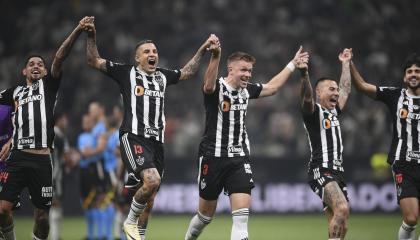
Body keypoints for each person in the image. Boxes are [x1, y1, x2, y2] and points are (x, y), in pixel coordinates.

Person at [82, 16, 220, 239]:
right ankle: (129, 222)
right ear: (137, 58)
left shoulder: (163, 76)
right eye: (146, 51)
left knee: (150, 198)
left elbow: (188, 71)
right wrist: (91, 35)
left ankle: (139, 236)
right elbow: (93, 60)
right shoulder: (126, 73)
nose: (152, 54)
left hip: (157, 143)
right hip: (133, 136)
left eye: (154, 51)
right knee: (152, 180)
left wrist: (203, 49)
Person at [184, 41, 309, 240]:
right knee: (205, 216)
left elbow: (273, 88)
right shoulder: (216, 88)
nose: (248, 75)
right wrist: (215, 55)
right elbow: (208, 84)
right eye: (244, 70)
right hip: (212, 158)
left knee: (241, 219)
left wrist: (293, 63)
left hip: (238, 160)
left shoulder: (246, 90)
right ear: (230, 69)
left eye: (250, 71)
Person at [0, 17, 88, 240]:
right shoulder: (14, 93)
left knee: (42, 218)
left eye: (40, 64)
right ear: (24, 72)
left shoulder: (49, 86)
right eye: (31, 64)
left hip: (41, 160)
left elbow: (60, 56)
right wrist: (10, 140)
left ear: (46, 71)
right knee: (2, 210)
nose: (36, 66)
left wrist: (77, 29)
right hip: (17, 158)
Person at [350, 52, 420, 240]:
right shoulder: (395, 95)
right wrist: (349, 63)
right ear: (405, 77)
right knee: (411, 219)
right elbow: (362, 86)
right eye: (410, 71)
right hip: (403, 164)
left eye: (417, 71)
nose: (413, 74)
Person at [300, 48, 352, 240]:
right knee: (342, 207)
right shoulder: (313, 114)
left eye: (336, 90)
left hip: (337, 172)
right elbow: (306, 98)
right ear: (318, 92)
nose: (336, 92)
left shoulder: (334, 112)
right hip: (321, 169)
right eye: (331, 89)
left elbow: (346, 87)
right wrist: (304, 74)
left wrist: (345, 63)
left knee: (341, 224)